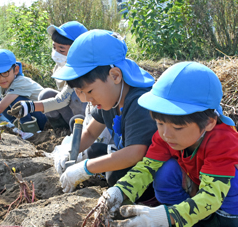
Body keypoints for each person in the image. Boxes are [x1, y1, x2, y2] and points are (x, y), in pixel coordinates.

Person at [101, 62, 238, 227]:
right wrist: (119, 190)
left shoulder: (224, 140)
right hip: (203, 199)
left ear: (209, 122)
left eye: (178, 128)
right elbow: (146, 168)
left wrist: (164, 217)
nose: (166, 134)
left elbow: (213, 195)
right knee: (165, 171)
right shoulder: (166, 136)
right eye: (160, 123)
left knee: (231, 179)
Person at [52, 29, 158, 193]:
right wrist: (70, 152)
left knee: (116, 174)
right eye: (80, 92)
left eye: (89, 91)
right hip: (131, 152)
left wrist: (85, 168)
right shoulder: (111, 98)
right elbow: (90, 133)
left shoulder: (139, 101)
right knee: (95, 151)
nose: (85, 100)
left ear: (115, 76)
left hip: (156, 167)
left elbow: (135, 153)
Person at [7, 21, 88, 129]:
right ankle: (62, 131)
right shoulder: (59, 67)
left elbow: (63, 100)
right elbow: (62, 98)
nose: (56, 53)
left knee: (76, 95)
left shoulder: (82, 69)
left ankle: (83, 131)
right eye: (54, 48)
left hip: (90, 117)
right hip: (71, 113)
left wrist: (30, 106)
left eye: (61, 49)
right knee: (46, 94)